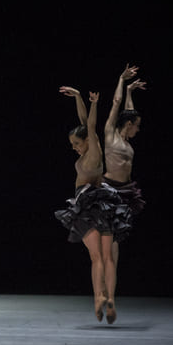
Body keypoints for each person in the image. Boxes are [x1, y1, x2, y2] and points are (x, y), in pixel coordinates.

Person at [54, 86, 131, 324]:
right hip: (104, 204)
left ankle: (99, 296)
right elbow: (84, 122)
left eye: (76, 143)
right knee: (108, 257)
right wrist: (78, 98)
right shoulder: (92, 147)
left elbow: (90, 124)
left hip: (88, 204)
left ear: (88, 140)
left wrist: (95, 104)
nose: (74, 147)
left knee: (96, 257)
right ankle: (110, 301)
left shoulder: (93, 151)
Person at [103, 65, 145, 269]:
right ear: (129, 124)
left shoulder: (127, 142)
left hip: (126, 190)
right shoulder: (110, 135)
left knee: (117, 238)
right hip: (110, 188)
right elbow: (116, 103)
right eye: (137, 125)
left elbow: (129, 111)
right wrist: (121, 80)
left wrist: (130, 91)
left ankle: (110, 281)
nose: (138, 129)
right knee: (110, 238)